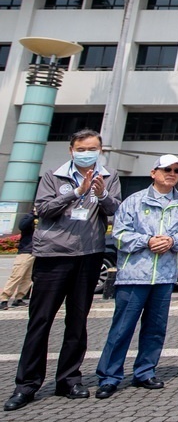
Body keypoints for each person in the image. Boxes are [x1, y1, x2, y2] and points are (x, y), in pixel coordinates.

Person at [5, 129, 122, 411]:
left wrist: (102, 193)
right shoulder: (54, 176)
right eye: (81, 148)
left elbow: (116, 209)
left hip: (89, 255)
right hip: (53, 256)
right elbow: (43, 210)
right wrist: (76, 193)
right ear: (72, 150)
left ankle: (69, 379)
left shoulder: (109, 176)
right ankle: (27, 384)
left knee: (77, 321)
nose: (87, 153)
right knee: (40, 320)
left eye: (92, 148)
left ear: (101, 149)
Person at [95, 155, 178, 397]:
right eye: (167, 169)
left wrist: (173, 240)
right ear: (153, 172)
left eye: (176, 170)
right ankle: (109, 376)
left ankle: (145, 371)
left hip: (164, 277)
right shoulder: (134, 201)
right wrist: (147, 241)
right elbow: (119, 235)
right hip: (134, 276)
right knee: (122, 329)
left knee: (155, 329)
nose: (172, 173)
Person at [0, 210, 35, 310]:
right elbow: (22, 226)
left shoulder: (45, 217)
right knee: (17, 274)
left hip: (37, 250)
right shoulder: (29, 216)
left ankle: (19, 298)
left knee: (28, 277)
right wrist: (33, 215)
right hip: (26, 250)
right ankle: (4, 298)